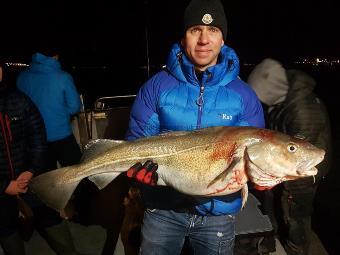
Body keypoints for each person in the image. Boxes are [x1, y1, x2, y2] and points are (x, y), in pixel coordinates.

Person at [125, 0, 265, 254]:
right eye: (195, 30)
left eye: (213, 31)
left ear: (223, 40)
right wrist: (141, 173)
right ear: (183, 38)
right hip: (162, 210)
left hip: (218, 215)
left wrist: (262, 175)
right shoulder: (156, 87)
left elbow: (257, 150)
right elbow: (136, 141)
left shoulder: (244, 95)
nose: (204, 40)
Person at [247, 58, 332, 255]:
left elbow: (299, 153)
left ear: (270, 90)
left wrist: (275, 178)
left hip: (305, 172)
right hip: (288, 163)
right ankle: (270, 240)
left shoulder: (303, 110)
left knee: (295, 213)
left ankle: (297, 248)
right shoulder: (279, 99)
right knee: (270, 199)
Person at [16, 47, 82, 255]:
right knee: (80, 171)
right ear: (55, 55)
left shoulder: (22, 77)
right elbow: (74, 107)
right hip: (61, 136)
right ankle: (79, 211)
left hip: (36, 142)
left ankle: (54, 212)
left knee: (45, 179)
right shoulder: (62, 76)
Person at [0, 62, 47, 254]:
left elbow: (38, 140)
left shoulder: (20, 101)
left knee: (46, 214)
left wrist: (31, 170)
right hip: (1, 189)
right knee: (6, 229)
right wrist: (3, 186)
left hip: (26, 179)